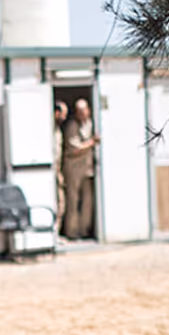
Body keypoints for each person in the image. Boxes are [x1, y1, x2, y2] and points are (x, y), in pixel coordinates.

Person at [59, 98, 100, 240]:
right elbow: (74, 148)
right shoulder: (72, 126)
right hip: (74, 169)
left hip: (88, 169)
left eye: (85, 110)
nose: (83, 113)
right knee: (73, 200)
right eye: (80, 111)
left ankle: (84, 230)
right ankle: (72, 231)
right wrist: (91, 143)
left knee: (88, 201)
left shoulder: (91, 123)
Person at [53, 101, 68, 220]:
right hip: (52, 171)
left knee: (61, 202)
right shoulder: (49, 130)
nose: (65, 118)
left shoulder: (57, 129)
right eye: (63, 114)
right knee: (58, 202)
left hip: (57, 172)